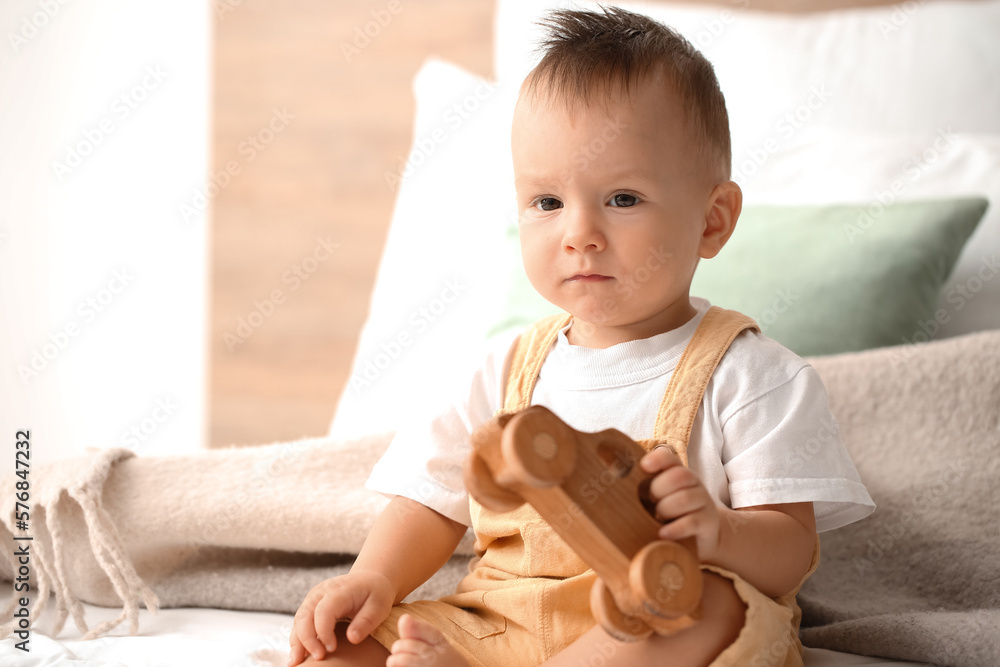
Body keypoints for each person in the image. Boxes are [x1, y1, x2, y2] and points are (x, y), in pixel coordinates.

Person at [288, 6, 875, 667]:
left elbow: (792, 551)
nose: (579, 233)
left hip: (649, 616)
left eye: (622, 198)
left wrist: (718, 532)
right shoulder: (500, 369)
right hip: (502, 620)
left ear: (712, 221)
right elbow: (429, 498)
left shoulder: (753, 375)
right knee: (340, 646)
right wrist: (374, 579)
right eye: (546, 202)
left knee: (717, 604)